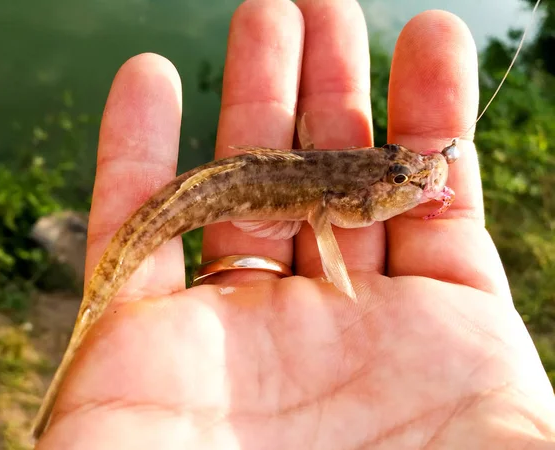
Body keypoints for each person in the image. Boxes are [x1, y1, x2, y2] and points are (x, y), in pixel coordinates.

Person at [35, 0, 555, 447]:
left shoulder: (333, 185)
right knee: (108, 286)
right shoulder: (329, 200)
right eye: (398, 170)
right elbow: (325, 228)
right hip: (210, 198)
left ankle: (51, 401)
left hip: (235, 190)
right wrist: (343, 284)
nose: (416, 176)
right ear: (340, 199)